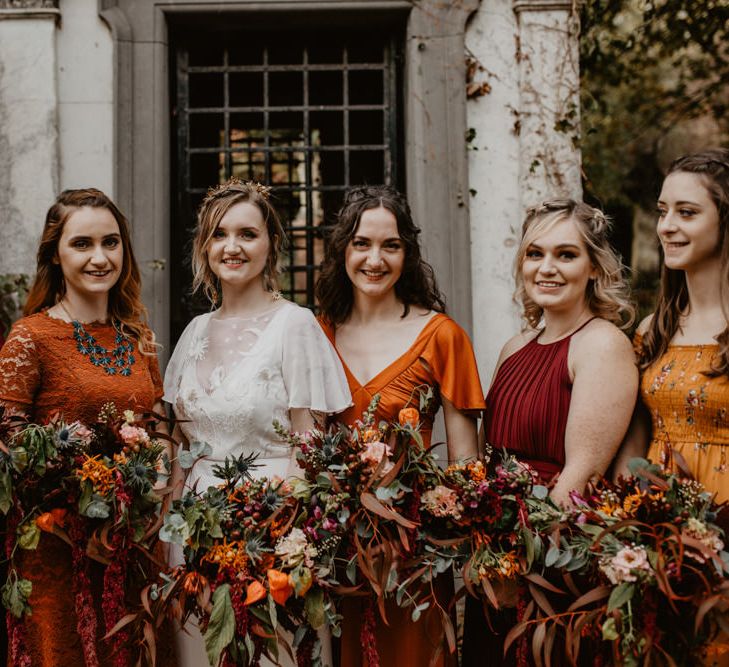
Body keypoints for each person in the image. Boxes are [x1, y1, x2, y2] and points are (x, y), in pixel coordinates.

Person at [163, 178, 351, 667]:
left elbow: (308, 443)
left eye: (247, 234)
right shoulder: (194, 332)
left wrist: (281, 537)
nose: (232, 246)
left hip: (268, 527)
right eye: (219, 234)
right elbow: (181, 442)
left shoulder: (295, 325)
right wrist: (172, 531)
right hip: (193, 532)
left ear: (271, 245)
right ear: (205, 248)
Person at [461, 198, 638, 666]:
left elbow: (580, 476)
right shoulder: (514, 348)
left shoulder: (602, 344)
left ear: (594, 268)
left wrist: (516, 564)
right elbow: (489, 462)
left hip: (554, 564)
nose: (547, 268)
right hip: (496, 554)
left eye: (566, 255)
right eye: (535, 254)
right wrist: (483, 551)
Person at [0, 188, 172, 666]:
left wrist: (153, 471)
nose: (101, 257)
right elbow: (8, 440)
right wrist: (76, 478)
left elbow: (157, 430)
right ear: (55, 254)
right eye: (82, 244)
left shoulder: (138, 338)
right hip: (59, 553)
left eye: (111, 242)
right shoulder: (30, 337)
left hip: (131, 546)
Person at [316, 184, 485, 667]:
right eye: (362, 243)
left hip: (414, 550)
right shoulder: (318, 332)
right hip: (336, 547)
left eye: (390, 245)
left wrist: (446, 528)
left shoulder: (443, 335)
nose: (375, 258)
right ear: (343, 249)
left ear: (407, 253)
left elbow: (465, 462)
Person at [615, 150, 729, 508]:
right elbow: (634, 441)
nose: (666, 226)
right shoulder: (653, 330)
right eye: (663, 211)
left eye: (687, 212)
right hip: (661, 529)